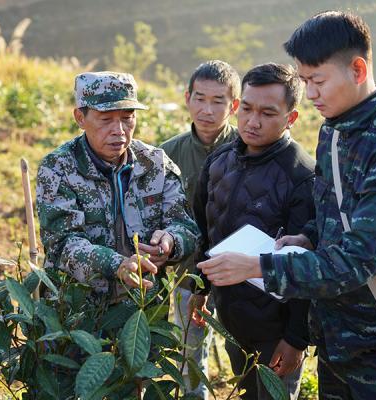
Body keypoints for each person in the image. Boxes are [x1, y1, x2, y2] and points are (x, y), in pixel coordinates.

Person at [197, 11, 376, 399]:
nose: (312, 93)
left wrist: (257, 266)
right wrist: (307, 236)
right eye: (305, 81)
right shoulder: (335, 131)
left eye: (318, 81)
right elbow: (331, 215)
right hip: (336, 340)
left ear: (357, 69)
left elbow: (357, 260)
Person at [193, 63, 314, 399]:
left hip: (275, 332)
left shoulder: (302, 176)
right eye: (246, 108)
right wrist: (200, 286)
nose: (252, 121)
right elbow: (206, 230)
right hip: (233, 320)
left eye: (267, 112)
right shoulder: (219, 161)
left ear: (291, 118)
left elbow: (306, 267)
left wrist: (295, 339)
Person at [36, 71, 199, 303]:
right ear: (80, 118)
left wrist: (171, 242)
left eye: (127, 118)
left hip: (144, 307)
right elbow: (62, 244)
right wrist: (117, 265)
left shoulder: (155, 164)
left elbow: (186, 227)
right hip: (78, 312)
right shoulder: (59, 168)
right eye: (105, 119)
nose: (119, 130)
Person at [160, 60, 240, 398]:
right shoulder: (166, 154)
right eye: (200, 98)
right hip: (187, 275)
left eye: (218, 100)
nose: (207, 110)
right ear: (187, 98)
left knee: (245, 350)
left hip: (240, 273)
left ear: (234, 105)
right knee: (188, 354)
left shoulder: (248, 147)